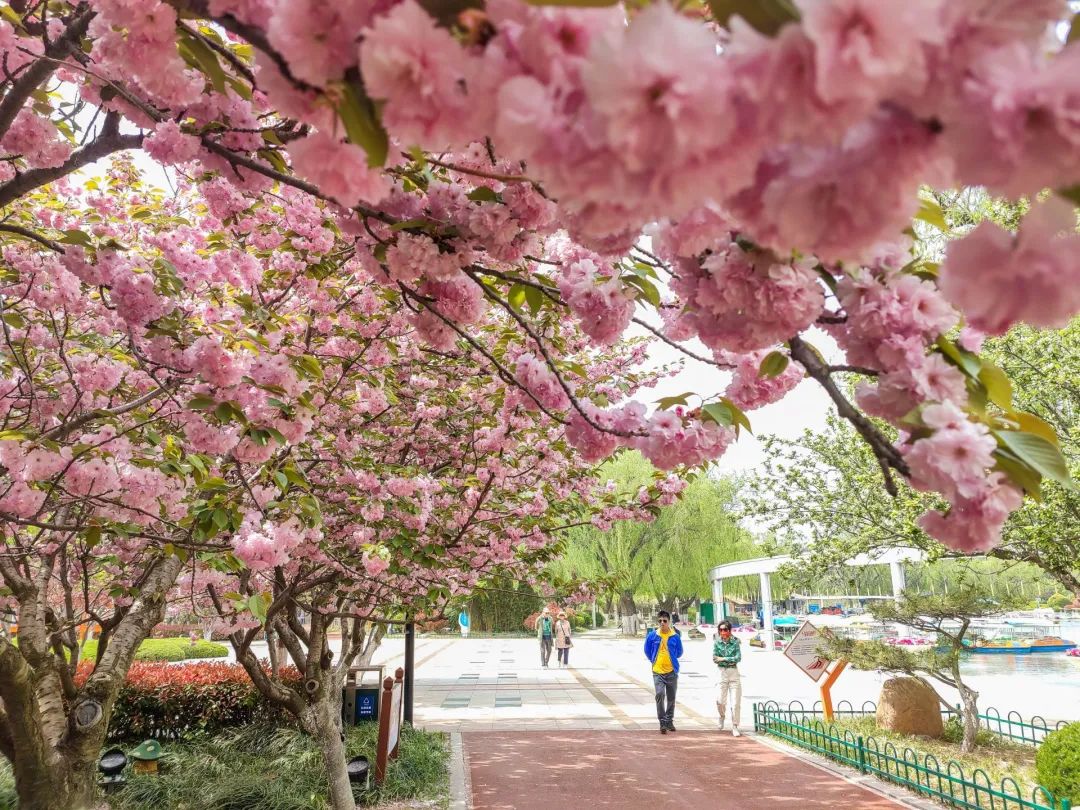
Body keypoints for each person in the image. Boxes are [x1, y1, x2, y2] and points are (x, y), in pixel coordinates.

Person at [644, 610, 683, 734]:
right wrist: (654, 660)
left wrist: (671, 658)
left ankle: (669, 720)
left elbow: (680, 652)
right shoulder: (652, 635)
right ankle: (662, 721)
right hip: (657, 671)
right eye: (660, 621)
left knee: (671, 697)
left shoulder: (675, 636)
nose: (662, 623)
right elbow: (647, 650)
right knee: (660, 694)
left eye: (664, 621)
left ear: (669, 622)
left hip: (672, 671)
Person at [713, 620, 743, 736]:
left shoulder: (735, 642)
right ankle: (722, 716)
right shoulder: (717, 642)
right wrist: (725, 659)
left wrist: (723, 659)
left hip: (733, 672)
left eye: (725, 629)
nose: (723, 632)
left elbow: (738, 658)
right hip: (721, 672)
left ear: (729, 631)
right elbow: (715, 658)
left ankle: (735, 726)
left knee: (735, 702)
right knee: (720, 701)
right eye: (720, 630)